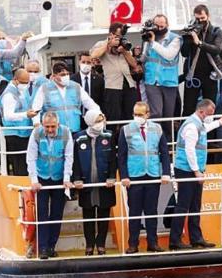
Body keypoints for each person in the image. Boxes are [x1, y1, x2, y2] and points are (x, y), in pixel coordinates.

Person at [169, 99, 222, 250]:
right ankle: (175, 240)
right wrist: (196, 172)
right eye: (209, 114)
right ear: (201, 112)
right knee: (183, 205)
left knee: (195, 204)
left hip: (194, 170)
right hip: (187, 170)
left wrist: (219, 122)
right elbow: (190, 150)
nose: (210, 117)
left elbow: (205, 128)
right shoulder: (191, 127)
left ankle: (196, 238)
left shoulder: (198, 124)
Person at [117, 101, 171, 254]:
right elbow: (121, 156)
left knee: (151, 211)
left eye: (140, 114)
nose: (137, 117)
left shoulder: (157, 128)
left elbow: (164, 152)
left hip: (153, 174)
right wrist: (124, 176)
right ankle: (133, 244)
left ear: (148, 114)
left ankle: (152, 243)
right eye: (135, 114)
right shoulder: (125, 130)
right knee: (134, 211)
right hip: (134, 175)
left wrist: (165, 172)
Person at [27, 111, 75, 259]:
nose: (50, 130)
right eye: (47, 126)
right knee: (42, 214)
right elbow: (31, 158)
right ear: (42, 125)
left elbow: (69, 157)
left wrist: (67, 178)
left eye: (52, 126)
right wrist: (34, 180)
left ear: (58, 124)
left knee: (56, 214)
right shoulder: (36, 134)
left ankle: (51, 247)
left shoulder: (66, 133)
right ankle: (42, 249)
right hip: (42, 178)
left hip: (59, 178)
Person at [72, 110, 117, 256]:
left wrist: (111, 176)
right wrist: (76, 178)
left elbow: (112, 160)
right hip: (86, 183)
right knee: (88, 215)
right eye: (97, 121)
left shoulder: (109, 136)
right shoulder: (79, 138)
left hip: (105, 183)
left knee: (104, 214)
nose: (100, 124)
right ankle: (89, 245)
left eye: (102, 121)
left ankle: (101, 244)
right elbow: (76, 161)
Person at [90, 22, 140, 130]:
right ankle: (111, 144)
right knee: (113, 117)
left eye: (121, 36)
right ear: (111, 34)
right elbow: (93, 55)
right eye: (117, 35)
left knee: (129, 117)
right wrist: (108, 44)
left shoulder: (124, 44)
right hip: (112, 86)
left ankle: (126, 143)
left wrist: (125, 51)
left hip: (129, 85)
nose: (119, 38)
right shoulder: (101, 44)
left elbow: (134, 64)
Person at [180, 4, 222, 116]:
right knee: (188, 108)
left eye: (202, 18)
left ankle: (209, 133)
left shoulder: (216, 31)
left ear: (208, 16)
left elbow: (217, 49)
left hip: (210, 74)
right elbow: (184, 53)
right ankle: (187, 131)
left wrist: (200, 43)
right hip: (193, 75)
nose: (200, 21)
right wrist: (187, 38)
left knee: (209, 107)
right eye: (197, 19)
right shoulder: (192, 30)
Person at [31, 62, 100, 134]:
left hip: (74, 130)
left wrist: (98, 115)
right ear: (54, 76)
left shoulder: (76, 86)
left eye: (68, 74)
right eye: (62, 75)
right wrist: (36, 123)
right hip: (55, 132)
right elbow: (36, 109)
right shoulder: (44, 89)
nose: (66, 76)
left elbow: (90, 103)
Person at [142, 14, 182, 137]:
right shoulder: (149, 38)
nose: (159, 28)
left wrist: (153, 42)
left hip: (169, 82)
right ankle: (155, 140)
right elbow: (145, 57)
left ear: (167, 25)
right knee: (156, 113)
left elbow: (169, 55)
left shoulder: (175, 39)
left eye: (161, 26)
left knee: (168, 116)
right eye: (156, 25)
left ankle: (169, 143)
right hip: (152, 81)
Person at [0, 68, 39, 175]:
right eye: (23, 82)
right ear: (15, 80)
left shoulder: (21, 91)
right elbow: (8, 116)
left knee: (27, 161)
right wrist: (26, 115)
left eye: (27, 82)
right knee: (19, 163)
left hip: (24, 133)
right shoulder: (9, 95)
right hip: (14, 134)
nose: (26, 85)